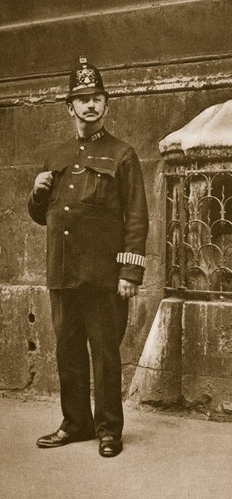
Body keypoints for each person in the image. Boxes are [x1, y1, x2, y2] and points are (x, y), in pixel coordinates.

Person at [28, 56, 149, 457]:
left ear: (106, 104)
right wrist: (38, 191)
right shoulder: (57, 154)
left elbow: (136, 216)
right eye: (82, 99)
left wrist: (130, 273)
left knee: (105, 353)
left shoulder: (123, 154)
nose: (90, 105)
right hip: (62, 271)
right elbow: (40, 216)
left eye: (97, 97)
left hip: (102, 274)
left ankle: (109, 429)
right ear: (70, 107)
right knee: (68, 351)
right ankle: (76, 423)